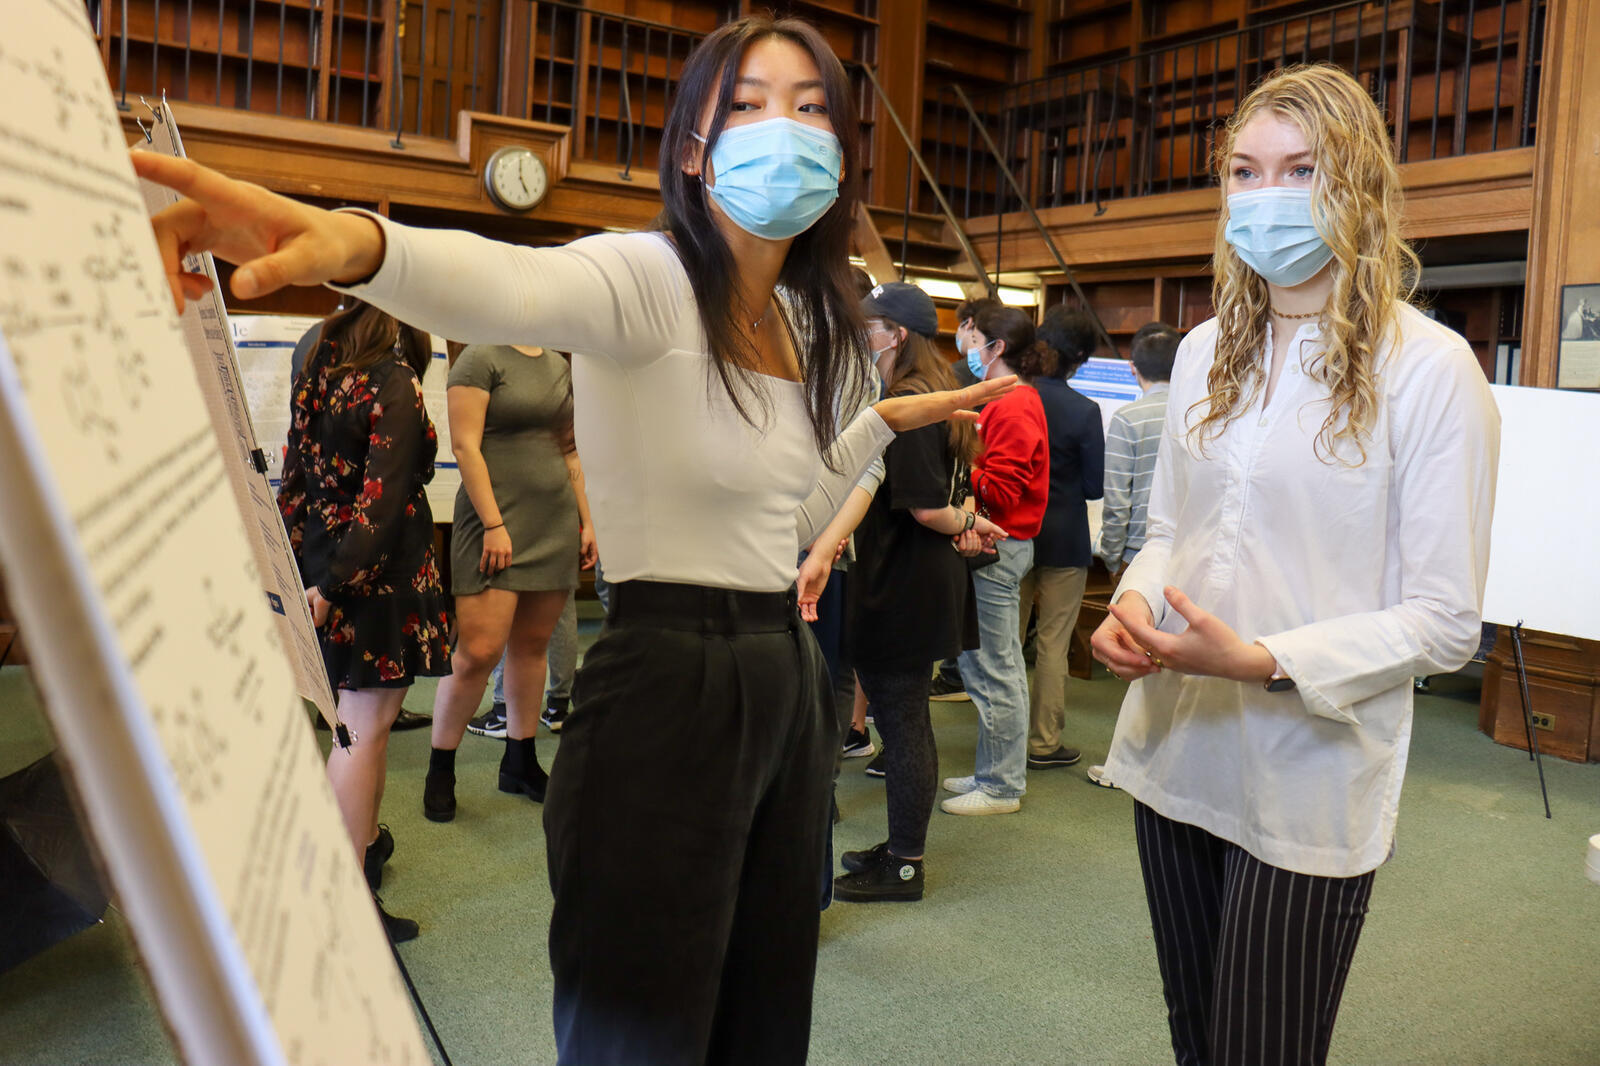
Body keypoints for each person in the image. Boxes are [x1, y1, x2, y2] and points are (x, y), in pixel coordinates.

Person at [136, 17, 1015, 1063]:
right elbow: (503, 282)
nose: (783, 126)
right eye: (746, 102)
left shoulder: (811, 318)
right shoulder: (647, 277)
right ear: (691, 144)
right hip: (665, 677)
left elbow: (778, 513)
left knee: (764, 1008)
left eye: (811, 105)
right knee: (639, 1023)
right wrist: (360, 244)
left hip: (782, 674)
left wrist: (880, 423)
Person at [1090, 65, 1499, 1066]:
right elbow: (1166, 527)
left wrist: (1262, 657)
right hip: (1178, 754)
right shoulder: (1199, 353)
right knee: (1196, 1041)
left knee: (1262, 1051)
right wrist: (1132, 604)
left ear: (1352, 183)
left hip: (1309, 771)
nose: (1265, 195)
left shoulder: (1428, 366)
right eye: (1243, 170)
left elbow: (1443, 620)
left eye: (1299, 168)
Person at [276, 299, 452, 943]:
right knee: (361, 731)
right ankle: (342, 887)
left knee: (356, 724)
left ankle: (365, 842)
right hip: (377, 580)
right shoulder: (393, 378)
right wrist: (334, 581)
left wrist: (303, 570)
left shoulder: (317, 363)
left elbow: (293, 477)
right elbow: (383, 501)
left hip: (326, 564)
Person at [825, 281, 997, 901]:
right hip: (916, 576)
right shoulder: (933, 393)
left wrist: (968, 522)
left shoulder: (913, 402)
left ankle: (905, 864)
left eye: (869, 328)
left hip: (905, 581)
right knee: (904, 722)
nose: (861, 338)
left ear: (895, 334)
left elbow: (928, 507)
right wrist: (968, 519)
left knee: (901, 724)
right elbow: (959, 488)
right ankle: (901, 848)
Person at [422, 343, 595, 822]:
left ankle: (519, 761)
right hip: (493, 522)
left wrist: (587, 520)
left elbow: (569, 447)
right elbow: (464, 446)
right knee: (478, 652)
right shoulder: (479, 358)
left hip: (552, 521)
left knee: (533, 646)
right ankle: (441, 767)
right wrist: (495, 524)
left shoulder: (559, 363)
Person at [941, 304, 1053, 816]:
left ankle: (1003, 784)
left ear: (997, 347)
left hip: (999, 546)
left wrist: (958, 466)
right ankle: (993, 771)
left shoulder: (1012, 404)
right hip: (995, 545)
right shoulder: (1005, 400)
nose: (968, 346)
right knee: (983, 662)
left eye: (974, 336)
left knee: (995, 667)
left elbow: (1003, 492)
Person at [1087, 321, 1179, 789]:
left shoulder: (1128, 418)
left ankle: (1126, 763)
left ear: (1132, 368)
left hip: (1141, 555)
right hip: (1189, 554)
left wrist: (1110, 555)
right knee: (1169, 664)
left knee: (1136, 664)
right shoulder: (1197, 410)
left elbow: (1116, 498)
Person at [1021, 306, 1104, 772]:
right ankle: (1044, 743)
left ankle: (1001, 739)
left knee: (1007, 644)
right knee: (1053, 644)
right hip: (1065, 539)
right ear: (1080, 360)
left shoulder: (1010, 398)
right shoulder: (1084, 411)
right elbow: (1094, 487)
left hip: (1012, 534)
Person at [928, 293, 1005, 703]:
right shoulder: (1000, 385)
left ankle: (953, 672)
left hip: (965, 512)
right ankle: (954, 671)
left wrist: (968, 518)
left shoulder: (954, 377)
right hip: (970, 512)